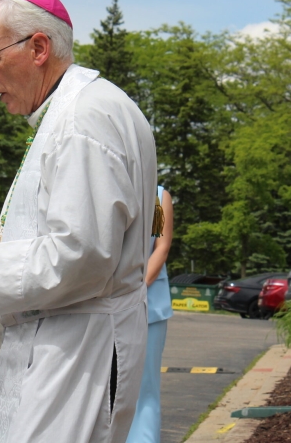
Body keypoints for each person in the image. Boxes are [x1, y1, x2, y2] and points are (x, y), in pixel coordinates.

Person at [0, 0, 158, 443]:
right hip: (66, 341)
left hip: (79, 351)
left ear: (38, 48)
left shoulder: (84, 117)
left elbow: (84, 254)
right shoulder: (75, 111)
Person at [126, 186, 173, 443]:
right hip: (101, 304)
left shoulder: (157, 197)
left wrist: (135, 290)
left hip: (149, 307)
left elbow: (161, 247)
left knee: (145, 389)